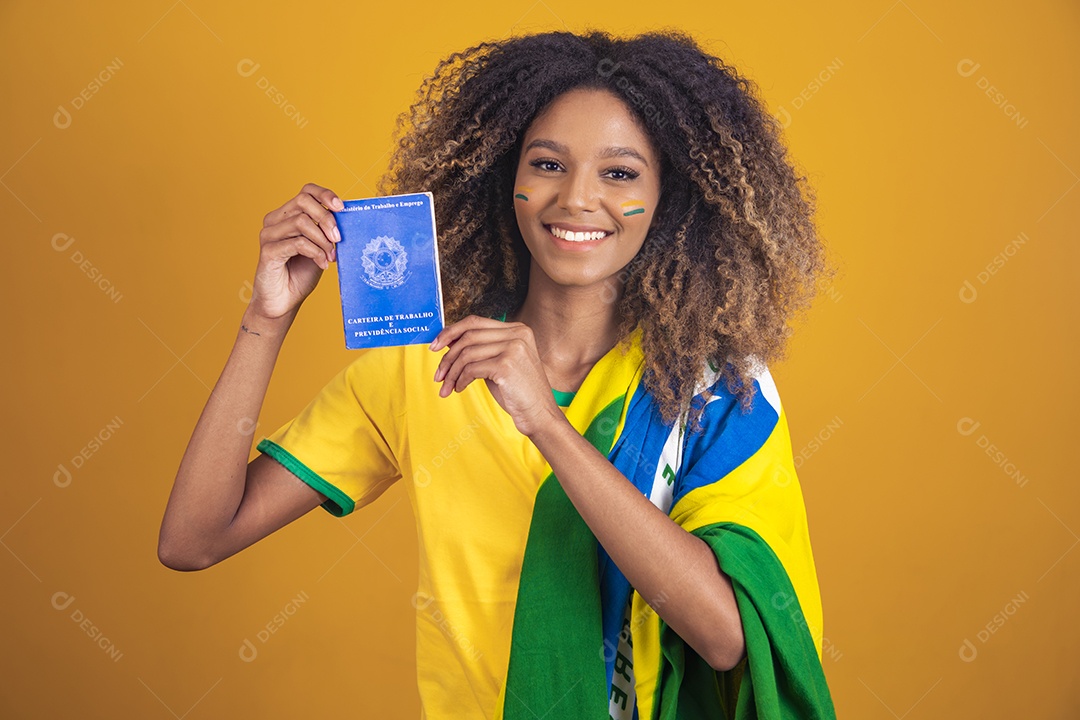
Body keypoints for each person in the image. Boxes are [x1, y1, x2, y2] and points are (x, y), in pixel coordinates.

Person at [158, 28, 838, 719]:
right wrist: (265, 320)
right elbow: (194, 540)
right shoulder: (422, 365)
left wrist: (545, 421)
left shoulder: (715, 388)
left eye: (620, 173)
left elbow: (727, 636)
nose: (576, 199)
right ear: (502, 176)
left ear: (672, 196)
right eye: (547, 164)